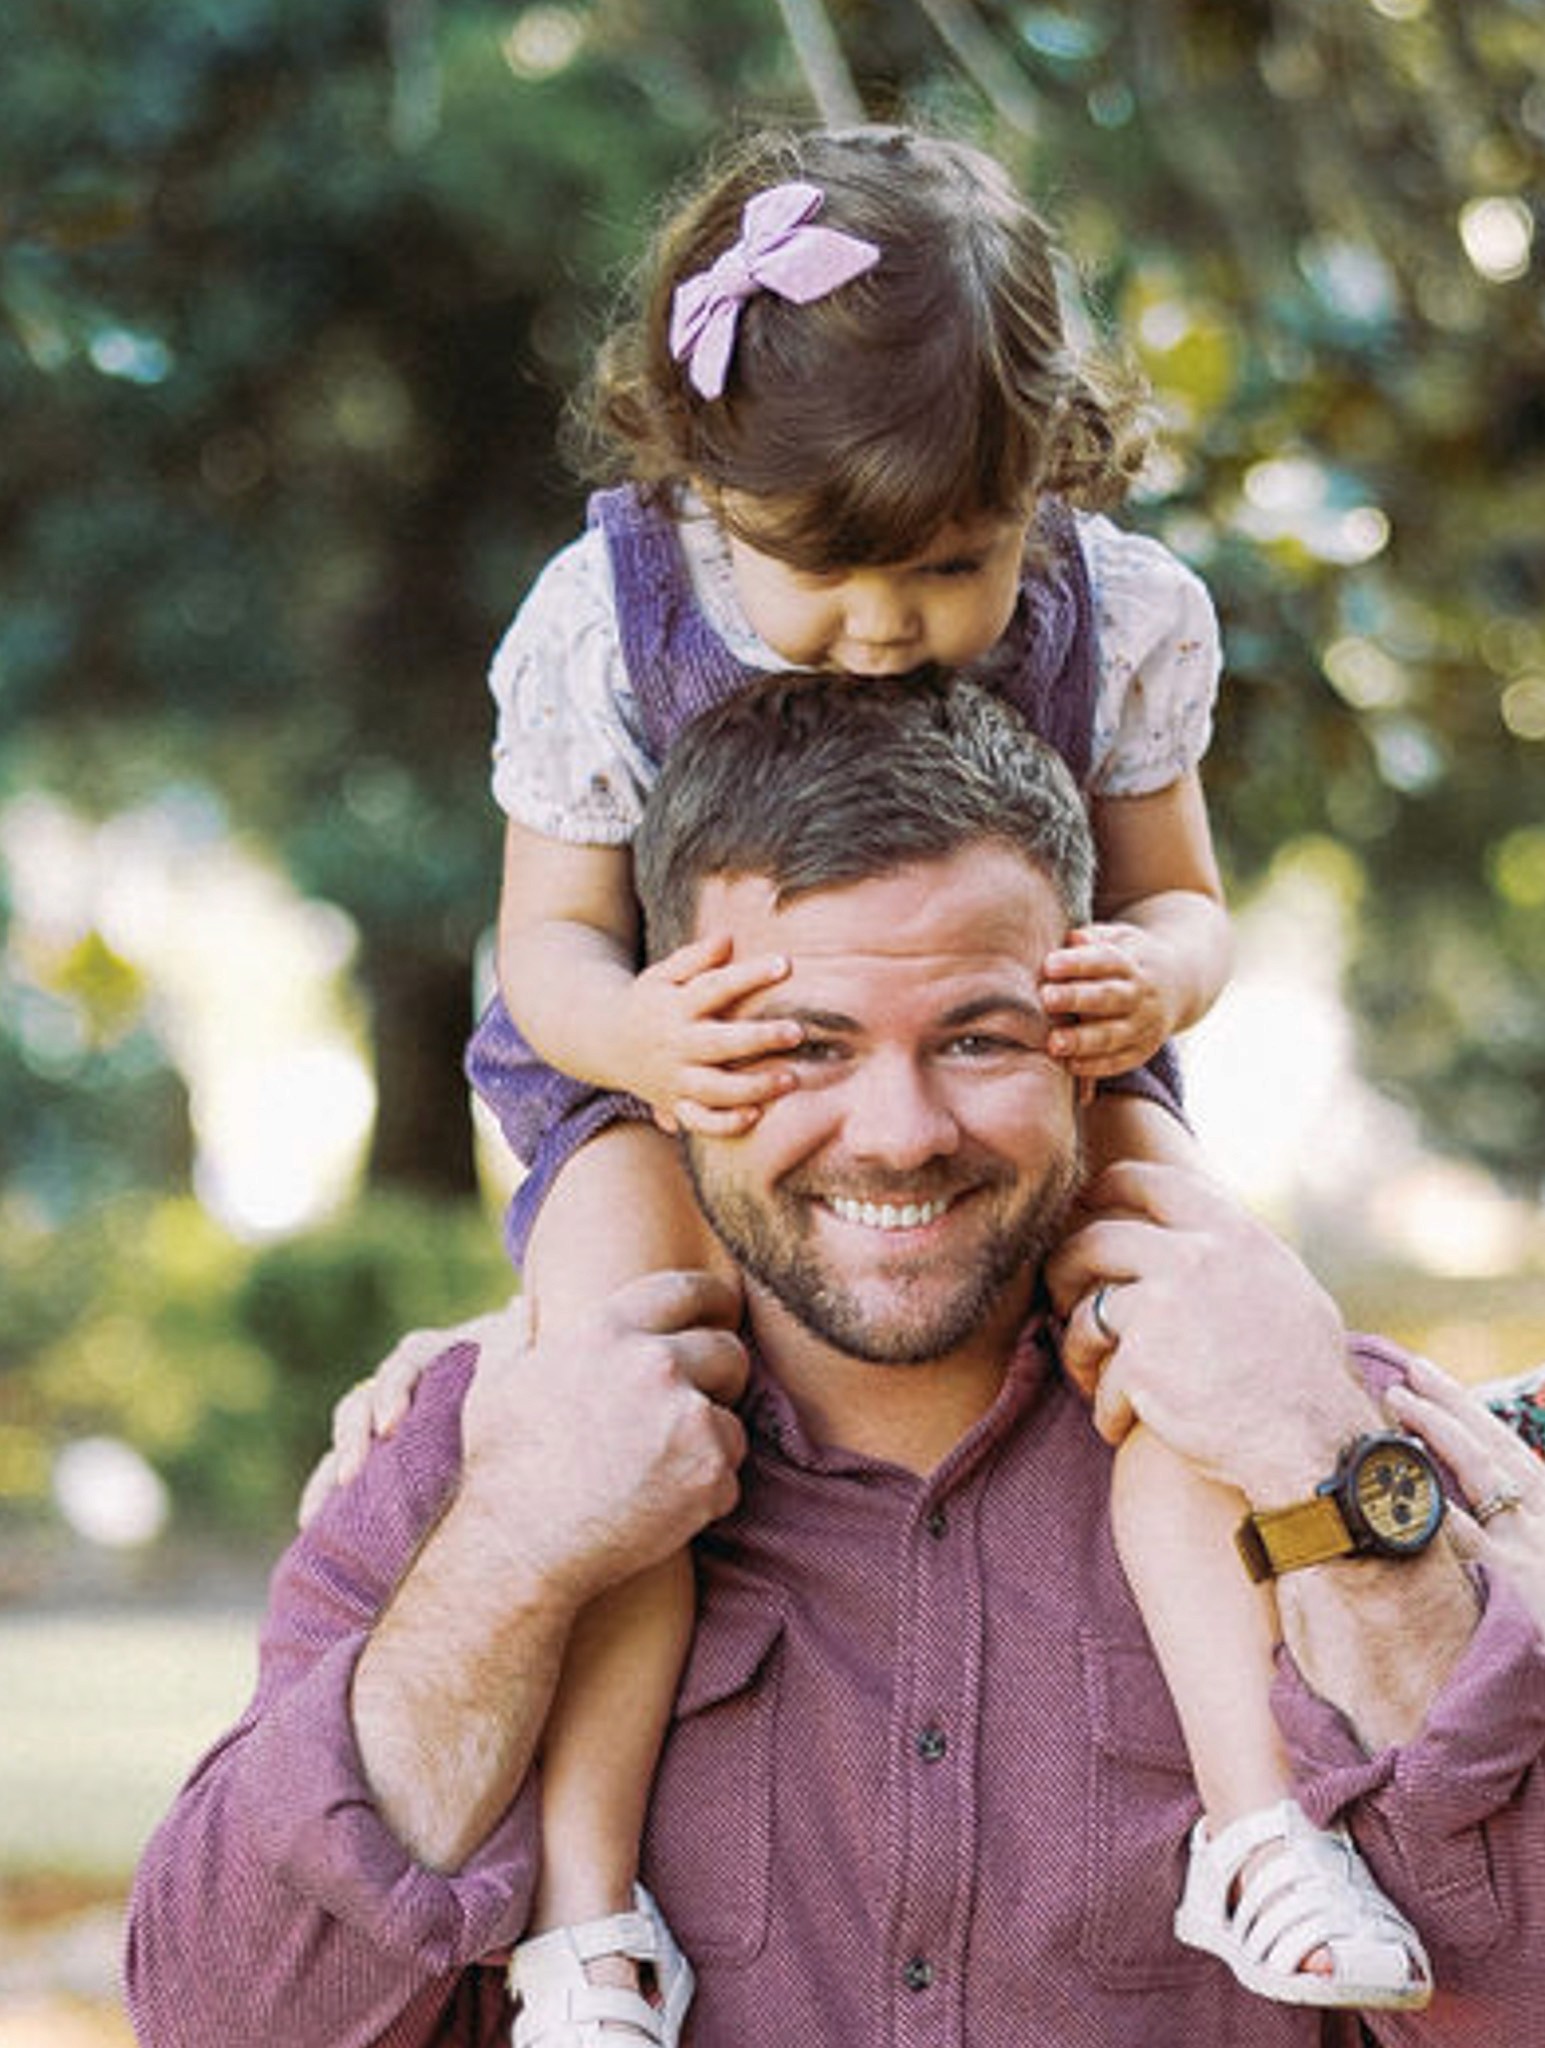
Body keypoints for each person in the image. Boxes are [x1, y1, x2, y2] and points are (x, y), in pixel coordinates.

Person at [340, 116, 1369, 2034]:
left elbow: (1188, 904)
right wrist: (641, 1034)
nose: (889, 625)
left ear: (1044, 481)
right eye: (820, 572)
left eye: (956, 567)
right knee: (622, 1395)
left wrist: (1149, 976)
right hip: (665, 1075)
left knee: (1183, 1354)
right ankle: (583, 1921)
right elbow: (550, 946)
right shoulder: (608, 617)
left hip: (1041, 1043)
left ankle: (1258, 1830)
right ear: (699, 473)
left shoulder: (1116, 614)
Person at [127, 675, 1545, 2048]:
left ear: (1094, 1045)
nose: (897, 1130)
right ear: (662, 1065)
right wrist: (514, 1553)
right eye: (800, 1047)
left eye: (978, 1036)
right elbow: (228, 2022)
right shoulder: (491, 1443)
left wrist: (1326, 1483)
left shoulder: (1326, 1432)